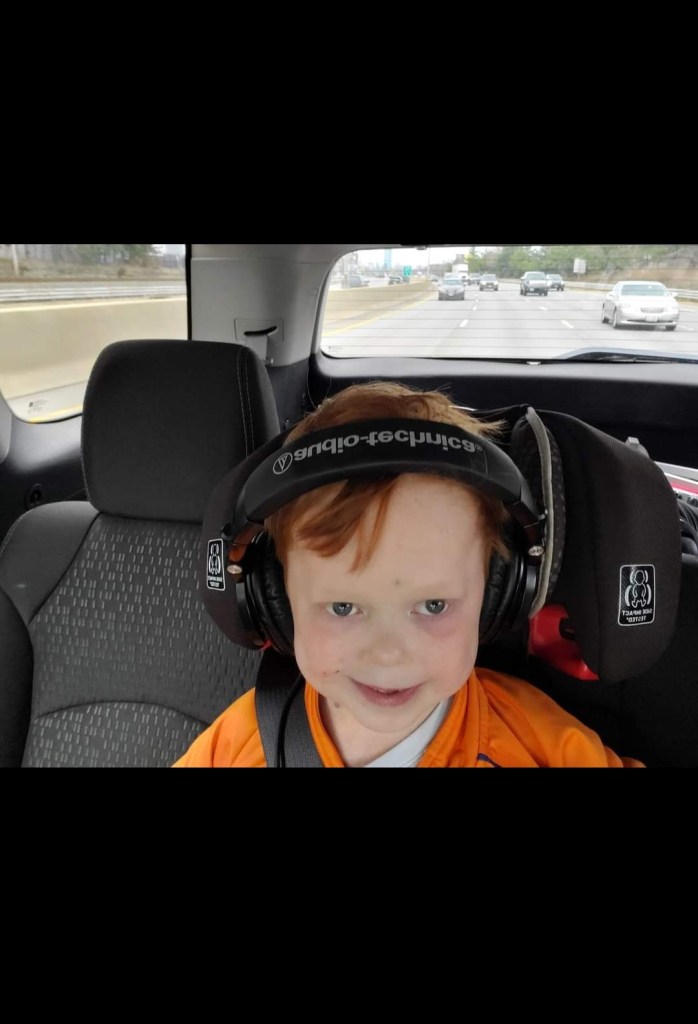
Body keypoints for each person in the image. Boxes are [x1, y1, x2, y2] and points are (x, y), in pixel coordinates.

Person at [174, 382, 643, 768]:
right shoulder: (239, 745)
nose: (388, 653)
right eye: (343, 607)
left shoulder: (539, 743)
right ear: (276, 600)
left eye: (433, 605)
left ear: (498, 595)